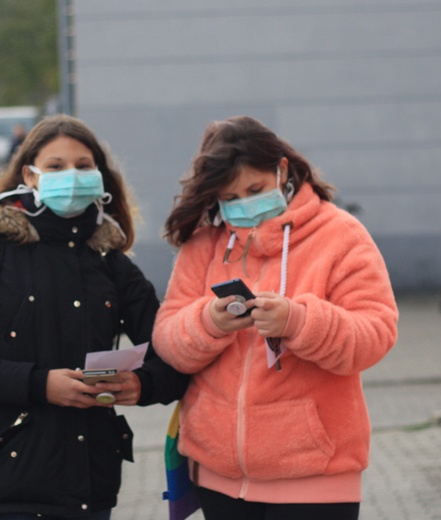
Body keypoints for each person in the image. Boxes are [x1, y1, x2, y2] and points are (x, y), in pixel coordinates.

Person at [0, 114, 188, 520]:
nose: (73, 176)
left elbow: (172, 349)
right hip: (11, 483)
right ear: (29, 175)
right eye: (56, 166)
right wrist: (39, 384)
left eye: (84, 166)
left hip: (91, 483)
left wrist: (141, 385)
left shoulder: (109, 260)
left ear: (99, 175)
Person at [151, 115, 399, 520]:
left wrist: (299, 322)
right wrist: (209, 322)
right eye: (230, 197)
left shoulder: (341, 235)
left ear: (282, 169)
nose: (244, 204)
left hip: (316, 480)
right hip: (216, 477)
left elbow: (376, 333)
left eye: (255, 189)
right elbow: (168, 339)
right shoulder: (204, 244)